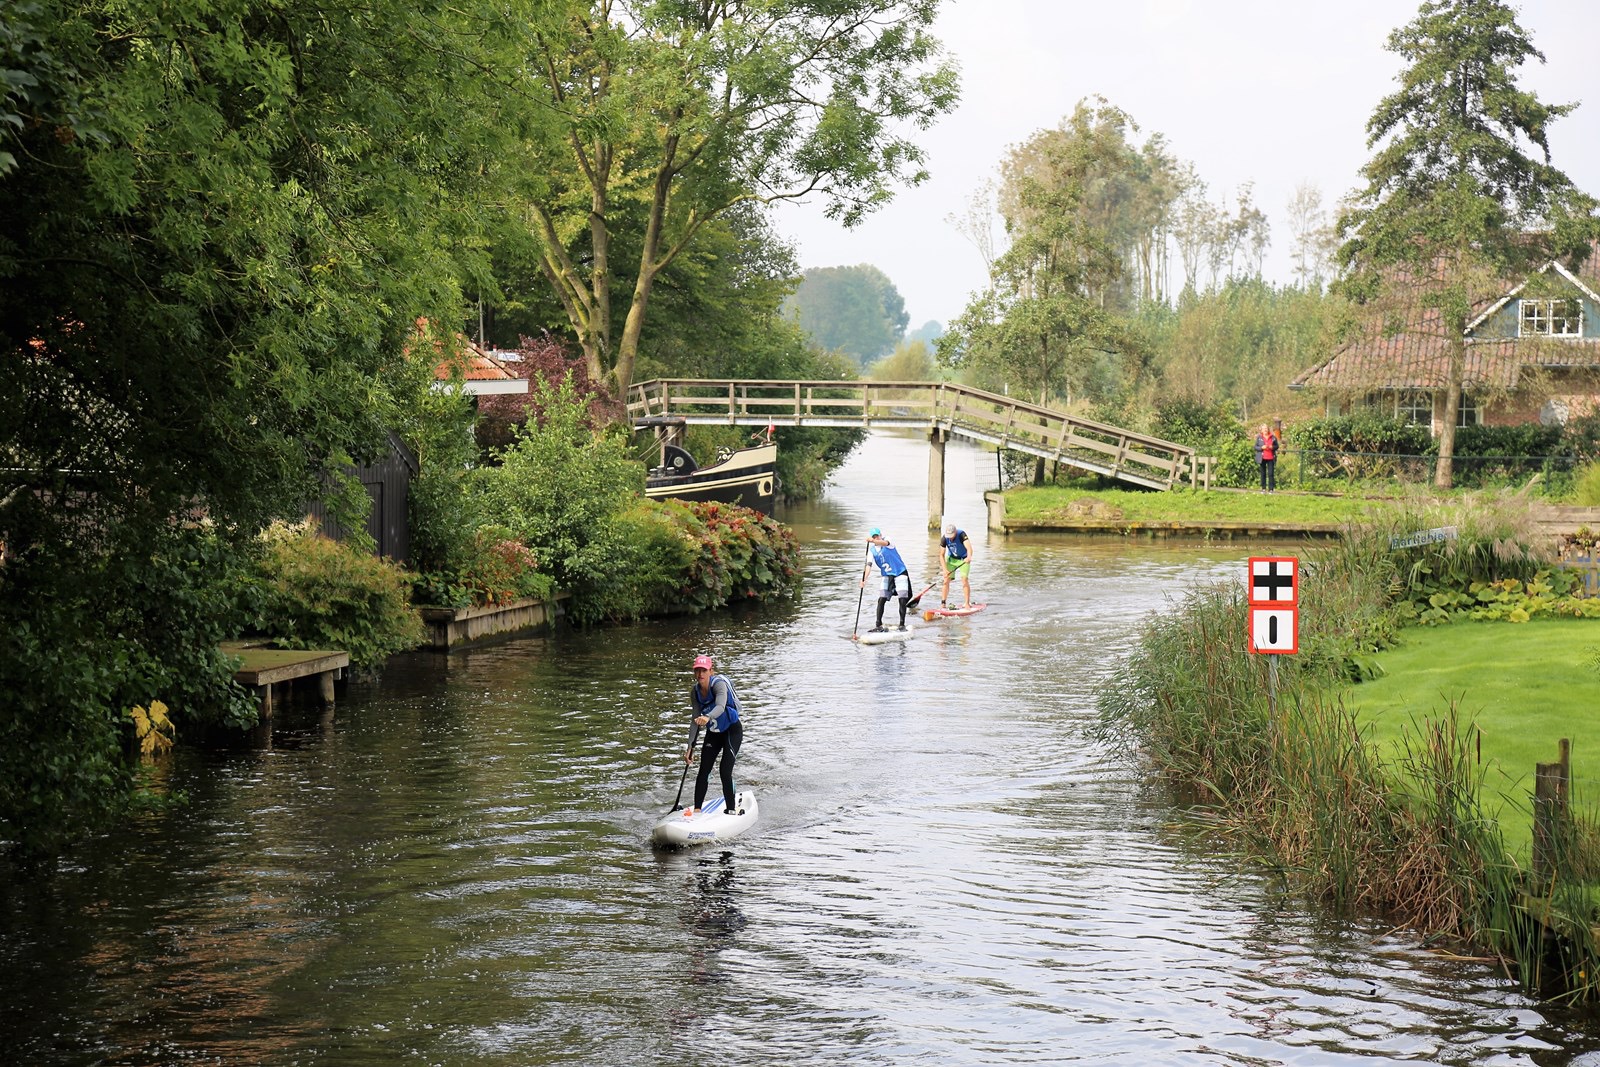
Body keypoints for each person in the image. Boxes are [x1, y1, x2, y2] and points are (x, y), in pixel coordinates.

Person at [684, 654, 744, 817]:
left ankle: (732, 809)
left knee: (725, 771)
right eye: (697, 670)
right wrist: (690, 747)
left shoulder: (719, 685)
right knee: (704, 769)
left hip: (732, 731)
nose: (700, 674)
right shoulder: (695, 692)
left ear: (711, 671)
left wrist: (708, 717)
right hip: (714, 733)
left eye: (704, 670)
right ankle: (697, 810)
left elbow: (720, 706)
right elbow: (694, 719)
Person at [859, 526, 912, 631]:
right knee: (881, 599)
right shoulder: (872, 551)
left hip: (900, 572)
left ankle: (902, 625)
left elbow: (884, 543)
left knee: (902, 598)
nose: (876, 538)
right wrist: (864, 580)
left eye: (877, 536)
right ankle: (878, 625)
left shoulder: (888, 541)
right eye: (874, 537)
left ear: (880, 535)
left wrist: (874, 541)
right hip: (887, 575)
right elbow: (868, 566)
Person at [938, 522, 975, 609]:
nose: (950, 538)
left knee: (964, 579)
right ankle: (943, 603)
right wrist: (944, 570)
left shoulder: (961, 534)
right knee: (946, 580)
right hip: (951, 560)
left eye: (951, 536)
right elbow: (941, 555)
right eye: (948, 536)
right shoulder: (944, 538)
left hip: (963, 560)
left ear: (955, 533)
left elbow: (969, 548)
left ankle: (967, 603)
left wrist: (969, 557)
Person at [1254, 423, 1279, 492]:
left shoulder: (1273, 437)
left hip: (1270, 457)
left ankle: (1271, 489)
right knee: (1263, 473)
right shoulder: (1259, 438)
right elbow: (1255, 447)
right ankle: (1263, 488)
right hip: (1262, 458)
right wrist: (1262, 447)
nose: (1265, 430)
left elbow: (1277, 446)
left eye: (1266, 428)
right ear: (1261, 430)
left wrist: (1272, 447)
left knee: (1271, 473)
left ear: (1268, 429)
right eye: (1264, 429)